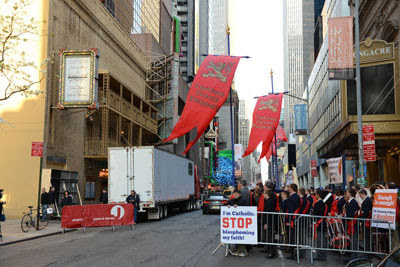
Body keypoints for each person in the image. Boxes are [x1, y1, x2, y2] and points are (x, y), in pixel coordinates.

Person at [227, 189, 248, 257]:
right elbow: (225, 205)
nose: (235, 194)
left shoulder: (243, 201)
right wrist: (228, 207)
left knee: (241, 236)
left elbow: (247, 209)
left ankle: (243, 251)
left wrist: (239, 207)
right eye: (234, 193)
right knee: (236, 236)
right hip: (233, 223)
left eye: (237, 193)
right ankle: (237, 250)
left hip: (242, 222)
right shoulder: (231, 201)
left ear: (240, 194)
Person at [286, 183, 304, 260]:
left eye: (289, 187)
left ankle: (294, 254)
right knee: (297, 237)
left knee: (293, 237)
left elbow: (290, 210)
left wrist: (289, 220)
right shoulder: (298, 197)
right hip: (297, 218)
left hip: (293, 220)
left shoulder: (291, 198)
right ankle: (297, 253)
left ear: (291, 189)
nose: (288, 189)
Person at [344, 188, 360, 264]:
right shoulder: (350, 202)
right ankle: (352, 257)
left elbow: (351, 214)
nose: (345, 194)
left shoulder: (353, 202)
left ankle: (354, 258)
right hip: (351, 224)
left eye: (346, 193)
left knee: (354, 241)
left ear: (350, 194)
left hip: (353, 224)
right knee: (352, 241)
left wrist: (344, 216)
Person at [313, 189, 328, 261]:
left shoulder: (317, 204)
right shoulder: (325, 204)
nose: (315, 196)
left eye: (315, 194)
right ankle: (323, 255)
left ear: (318, 195)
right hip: (323, 223)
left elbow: (315, 215)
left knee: (319, 240)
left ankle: (320, 255)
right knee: (323, 240)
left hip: (319, 223)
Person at [262, 189, 278, 258]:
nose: (263, 195)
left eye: (264, 193)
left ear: (267, 194)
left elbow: (267, 213)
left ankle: (272, 252)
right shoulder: (270, 201)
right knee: (272, 236)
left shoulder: (269, 202)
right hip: (271, 221)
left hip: (270, 221)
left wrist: (266, 223)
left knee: (271, 237)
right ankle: (272, 251)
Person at [359, 189, 372, 256]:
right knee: (366, 237)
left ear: (364, 194)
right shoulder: (366, 200)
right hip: (365, 220)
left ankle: (368, 253)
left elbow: (366, 212)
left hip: (366, 221)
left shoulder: (367, 201)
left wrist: (360, 219)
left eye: (360, 195)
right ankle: (367, 252)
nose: (360, 197)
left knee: (367, 237)